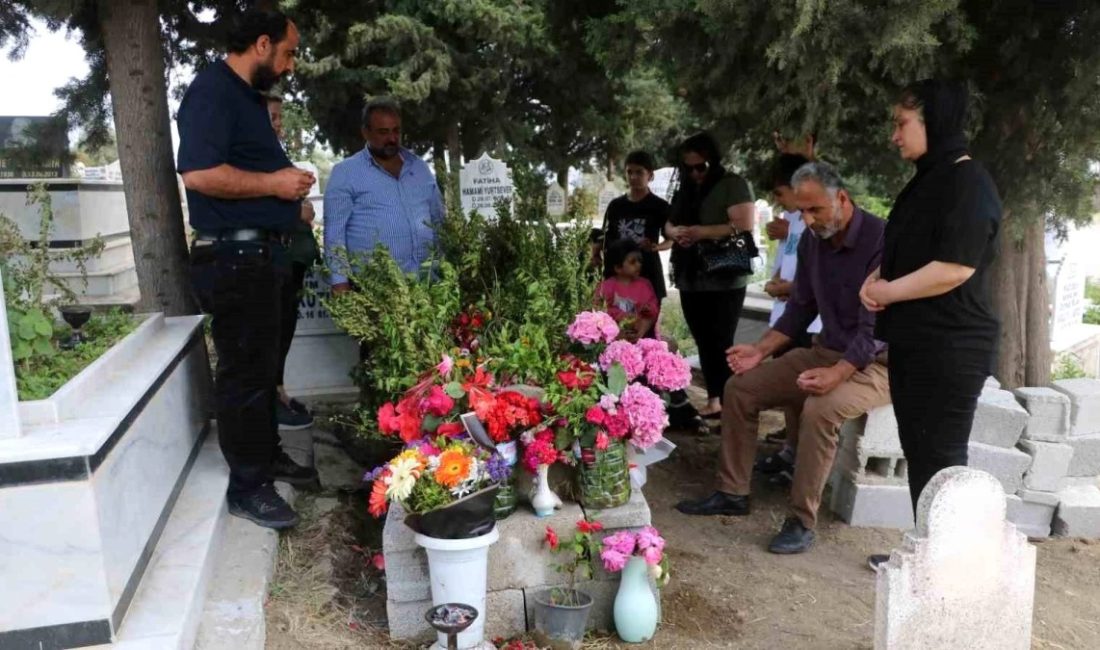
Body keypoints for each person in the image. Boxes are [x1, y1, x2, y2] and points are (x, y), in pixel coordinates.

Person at [675, 162, 891, 556]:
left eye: (816, 211)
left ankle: (801, 520)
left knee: (820, 409)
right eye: (801, 212)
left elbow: (874, 330)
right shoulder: (811, 240)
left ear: (841, 199)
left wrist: (837, 373)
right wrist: (760, 350)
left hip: (876, 364)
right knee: (739, 388)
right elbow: (800, 308)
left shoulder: (882, 239)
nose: (808, 221)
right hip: (826, 349)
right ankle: (732, 491)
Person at [178, 8, 318, 530]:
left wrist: (289, 206)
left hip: (261, 255)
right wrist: (276, 187)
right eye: (288, 52)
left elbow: (251, 176)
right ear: (262, 44)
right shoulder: (211, 93)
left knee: (263, 371)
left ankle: (266, 454)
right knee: (244, 374)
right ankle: (247, 486)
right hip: (234, 258)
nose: (290, 65)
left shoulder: (247, 100)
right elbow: (199, 173)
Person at [860, 80, 1001, 569]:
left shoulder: (969, 181)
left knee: (940, 457)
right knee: (919, 452)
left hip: (952, 347)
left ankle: (944, 569)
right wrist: (878, 277)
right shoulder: (928, 180)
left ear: (934, 121)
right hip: (918, 341)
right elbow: (913, 250)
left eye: (902, 124)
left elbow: (955, 267)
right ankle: (928, 555)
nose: (894, 136)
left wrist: (888, 292)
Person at [666, 133, 756, 419]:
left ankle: (731, 401)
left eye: (700, 166)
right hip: (691, 274)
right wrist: (674, 232)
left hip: (724, 275)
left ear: (713, 162)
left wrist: (701, 232)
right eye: (688, 167)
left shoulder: (732, 184)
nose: (694, 173)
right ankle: (715, 398)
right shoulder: (685, 188)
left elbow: (744, 224)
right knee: (703, 339)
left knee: (722, 339)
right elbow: (669, 221)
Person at [324, 97, 445, 295]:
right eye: (383, 132)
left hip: (427, 287)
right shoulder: (345, 173)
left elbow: (439, 221)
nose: (392, 138)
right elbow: (334, 235)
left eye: (396, 131)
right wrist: (339, 284)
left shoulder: (420, 168)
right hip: (374, 290)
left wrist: (445, 270)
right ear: (365, 132)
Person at [756, 154, 824, 480]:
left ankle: (801, 462)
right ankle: (790, 451)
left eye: (780, 193)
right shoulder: (793, 220)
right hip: (789, 315)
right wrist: (777, 282)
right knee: (792, 395)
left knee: (804, 394)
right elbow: (789, 259)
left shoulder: (818, 220)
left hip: (811, 322)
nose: (777, 201)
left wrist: (791, 287)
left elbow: (825, 279)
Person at [265, 94, 320, 431]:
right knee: (274, 333)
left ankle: (279, 391)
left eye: (279, 118)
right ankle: (272, 398)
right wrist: (297, 212)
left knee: (284, 331)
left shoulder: (274, 155)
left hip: (292, 259)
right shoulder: (254, 161)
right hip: (273, 259)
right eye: (272, 117)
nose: (278, 124)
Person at [595, 151, 672, 313]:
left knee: (646, 328)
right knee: (616, 328)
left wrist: (655, 247)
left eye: (639, 172)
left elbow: (671, 240)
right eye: (630, 172)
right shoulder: (616, 206)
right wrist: (596, 255)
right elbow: (605, 237)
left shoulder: (660, 206)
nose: (634, 177)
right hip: (617, 277)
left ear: (650, 175)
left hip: (648, 274)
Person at [596, 239, 659, 341]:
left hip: (640, 335)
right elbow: (599, 309)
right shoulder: (606, 286)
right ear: (618, 268)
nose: (638, 265)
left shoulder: (645, 284)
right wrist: (621, 316)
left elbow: (654, 305)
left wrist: (649, 309)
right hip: (613, 337)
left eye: (640, 261)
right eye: (633, 262)